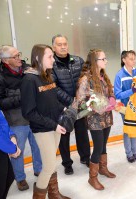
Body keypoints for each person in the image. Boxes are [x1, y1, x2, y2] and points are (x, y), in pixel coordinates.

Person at [20, 44, 70, 198]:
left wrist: (64, 109)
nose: (53, 60)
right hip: (43, 129)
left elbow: (53, 101)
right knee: (48, 166)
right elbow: (29, 112)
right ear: (37, 58)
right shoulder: (29, 80)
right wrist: (53, 125)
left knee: (51, 162)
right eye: (49, 56)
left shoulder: (47, 75)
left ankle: (54, 194)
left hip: (55, 126)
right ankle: (39, 195)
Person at [0, 45, 42, 191]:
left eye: (19, 54)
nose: (19, 59)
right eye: (15, 56)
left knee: (38, 146)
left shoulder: (28, 68)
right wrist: (23, 96)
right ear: (5, 61)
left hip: (34, 115)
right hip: (17, 120)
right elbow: (1, 103)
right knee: (18, 150)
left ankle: (39, 169)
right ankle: (20, 178)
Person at [76, 49, 116, 191]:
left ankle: (102, 168)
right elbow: (80, 103)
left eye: (105, 58)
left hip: (106, 117)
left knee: (104, 145)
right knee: (98, 147)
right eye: (103, 59)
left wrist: (112, 99)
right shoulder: (86, 79)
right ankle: (92, 178)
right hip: (95, 120)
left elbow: (110, 92)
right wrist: (97, 105)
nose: (106, 61)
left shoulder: (103, 76)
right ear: (95, 61)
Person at [51, 34, 91, 175]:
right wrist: (70, 101)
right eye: (59, 44)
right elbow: (53, 87)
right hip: (62, 107)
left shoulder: (77, 60)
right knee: (64, 135)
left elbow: (85, 79)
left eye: (65, 44)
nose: (63, 47)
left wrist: (82, 97)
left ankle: (86, 158)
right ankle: (67, 163)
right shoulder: (52, 64)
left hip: (80, 104)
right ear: (54, 47)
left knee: (82, 133)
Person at [114, 50, 136, 163]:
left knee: (135, 128)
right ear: (124, 60)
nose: (134, 61)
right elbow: (117, 94)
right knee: (128, 130)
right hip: (126, 108)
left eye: (134, 58)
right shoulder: (119, 75)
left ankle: (135, 152)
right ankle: (129, 154)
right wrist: (132, 91)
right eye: (131, 58)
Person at [0, 107, 21, 199]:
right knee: (0, 184)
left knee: (9, 177)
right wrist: (12, 148)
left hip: (2, 146)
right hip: (0, 145)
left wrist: (11, 135)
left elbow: (1, 120)